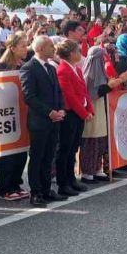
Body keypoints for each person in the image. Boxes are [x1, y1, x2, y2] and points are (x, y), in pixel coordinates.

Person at [21, 36, 68, 206]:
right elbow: (29, 97)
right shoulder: (29, 68)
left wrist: (61, 108)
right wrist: (49, 112)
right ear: (40, 48)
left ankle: (47, 188)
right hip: (40, 121)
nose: (53, 48)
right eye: (50, 45)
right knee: (37, 157)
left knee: (49, 156)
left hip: (55, 119)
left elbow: (58, 91)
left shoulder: (51, 68)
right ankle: (36, 191)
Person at [79, 43, 127, 183]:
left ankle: (97, 168)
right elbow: (94, 93)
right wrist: (111, 85)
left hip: (100, 108)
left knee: (100, 139)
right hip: (92, 109)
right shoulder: (88, 75)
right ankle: (87, 171)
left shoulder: (100, 73)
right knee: (91, 141)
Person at [0, 32, 31, 200]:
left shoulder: (23, 65)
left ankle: (16, 183)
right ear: (13, 48)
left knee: (21, 151)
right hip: (6, 115)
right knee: (7, 153)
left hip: (21, 114)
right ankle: (5, 188)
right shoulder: (2, 67)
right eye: (23, 46)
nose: (26, 49)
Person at [54, 40, 92, 197]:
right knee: (65, 149)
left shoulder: (76, 69)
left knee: (73, 148)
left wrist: (89, 107)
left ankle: (71, 179)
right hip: (70, 114)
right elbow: (69, 96)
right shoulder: (63, 70)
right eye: (77, 51)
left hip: (79, 113)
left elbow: (84, 90)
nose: (80, 54)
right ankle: (63, 183)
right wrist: (83, 112)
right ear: (70, 54)